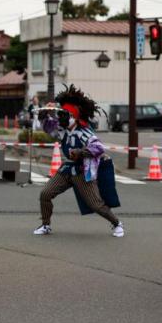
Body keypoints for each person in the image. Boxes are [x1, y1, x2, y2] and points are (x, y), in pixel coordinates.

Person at [34, 85, 125, 238]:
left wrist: (80, 152)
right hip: (67, 169)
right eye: (61, 114)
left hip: (83, 171)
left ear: (74, 116)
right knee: (45, 193)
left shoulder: (84, 132)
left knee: (95, 204)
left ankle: (117, 223)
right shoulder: (62, 129)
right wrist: (44, 113)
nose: (60, 117)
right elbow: (48, 127)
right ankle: (45, 224)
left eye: (64, 114)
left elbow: (98, 147)